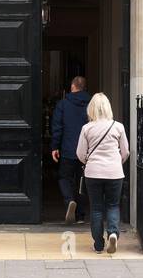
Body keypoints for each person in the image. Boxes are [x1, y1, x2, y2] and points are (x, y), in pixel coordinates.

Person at [76, 92, 129, 254]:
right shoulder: (118, 126)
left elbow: (80, 153)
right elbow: (125, 152)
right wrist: (115, 163)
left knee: (96, 208)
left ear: (91, 109)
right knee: (113, 205)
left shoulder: (87, 128)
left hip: (93, 173)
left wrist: (91, 163)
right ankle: (113, 233)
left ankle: (98, 244)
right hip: (114, 172)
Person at [51, 76, 90, 223]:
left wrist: (55, 146)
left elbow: (57, 127)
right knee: (82, 181)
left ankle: (69, 201)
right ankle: (80, 216)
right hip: (86, 151)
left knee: (64, 178)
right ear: (83, 87)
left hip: (68, 149)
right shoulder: (91, 104)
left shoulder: (63, 104)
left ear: (73, 87)